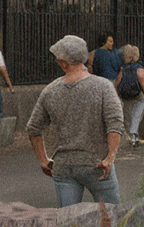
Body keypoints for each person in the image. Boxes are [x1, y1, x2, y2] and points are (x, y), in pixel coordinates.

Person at [29, 34, 125, 205]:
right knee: (112, 219)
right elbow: (115, 123)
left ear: (63, 63)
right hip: (97, 164)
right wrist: (110, 157)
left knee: (70, 222)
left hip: (64, 167)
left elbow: (33, 129)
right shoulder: (103, 87)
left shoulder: (50, 91)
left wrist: (44, 161)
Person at [114, 44, 144, 140]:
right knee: (136, 114)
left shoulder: (122, 69)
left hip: (124, 95)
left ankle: (128, 134)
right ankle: (133, 133)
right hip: (136, 95)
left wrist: (116, 96)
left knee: (127, 115)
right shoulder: (140, 70)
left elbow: (116, 83)